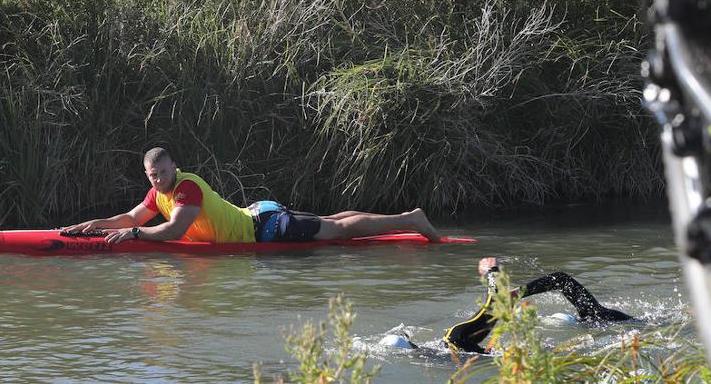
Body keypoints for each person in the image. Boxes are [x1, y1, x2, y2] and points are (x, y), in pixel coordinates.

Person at [61, 146, 442, 244]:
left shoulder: (186, 187)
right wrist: (92, 225)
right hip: (259, 215)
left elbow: (175, 232)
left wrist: (136, 236)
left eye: (160, 173)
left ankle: (411, 220)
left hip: (265, 229)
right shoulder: (157, 193)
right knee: (330, 222)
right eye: (151, 175)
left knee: (338, 231)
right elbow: (130, 219)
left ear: (173, 167)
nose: (157, 180)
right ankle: (407, 220)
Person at [380, 257, 634, 354]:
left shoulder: (456, 344)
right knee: (565, 285)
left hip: (495, 310)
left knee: (565, 285)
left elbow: (496, 301)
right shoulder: (455, 342)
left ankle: (595, 319)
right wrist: (491, 270)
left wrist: (494, 273)